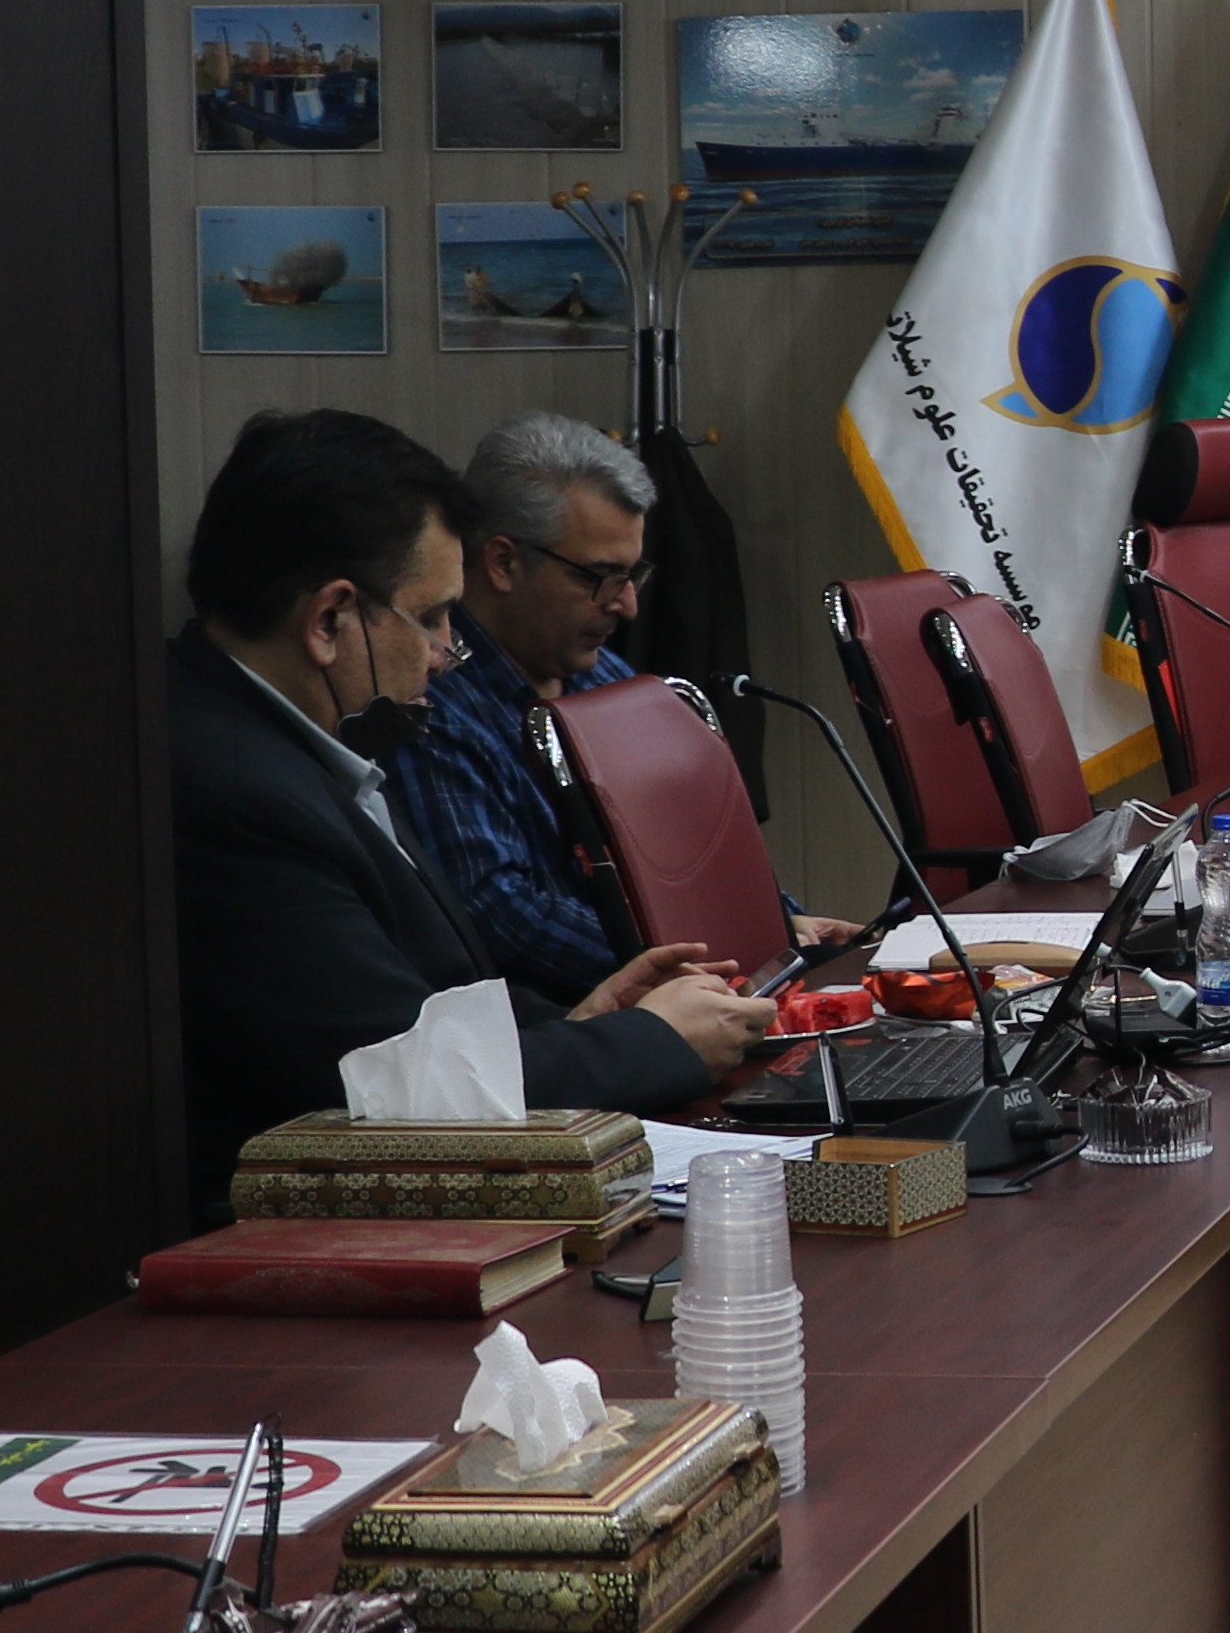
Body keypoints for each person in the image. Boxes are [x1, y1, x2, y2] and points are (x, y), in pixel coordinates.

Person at [169, 405, 770, 1184]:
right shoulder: (231, 793)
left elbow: (429, 1000)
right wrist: (653, 1042)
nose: (447, 651)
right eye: (430, 617)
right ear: (329, 619)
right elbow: (398, 1087)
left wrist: (584, 1022)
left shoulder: (295, 738)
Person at [385, 410, 854, 1009]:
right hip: (569, 1029)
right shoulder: (431, 704)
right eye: (602, 578)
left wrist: (780, 922)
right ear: (503, 563)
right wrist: (721, 953)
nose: (628, 606)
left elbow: (696, 847)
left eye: (634, 576)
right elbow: (501, 914)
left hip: (699, 991)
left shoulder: (603, 674)